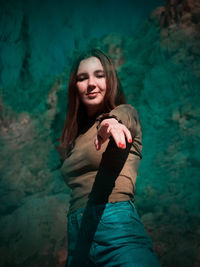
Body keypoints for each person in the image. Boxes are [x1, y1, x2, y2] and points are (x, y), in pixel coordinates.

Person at [56, 48, 161, 266]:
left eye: (99, 75)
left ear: (110, 80)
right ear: (74, 87)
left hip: (115, 225)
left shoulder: (125, 112)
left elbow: (120, 119)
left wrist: (110, 123)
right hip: (77, 238)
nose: (91, 83)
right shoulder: (76, 137)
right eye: (82, 78)